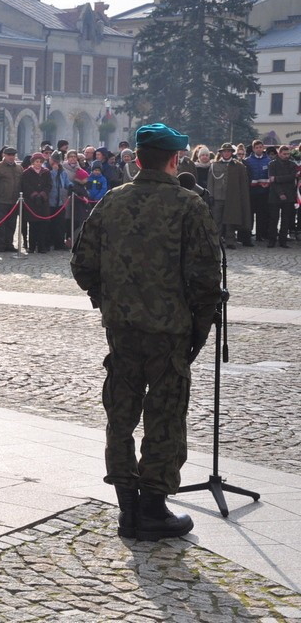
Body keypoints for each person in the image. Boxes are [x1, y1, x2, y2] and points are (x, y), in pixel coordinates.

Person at [71, 122, 221, 542]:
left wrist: (109, 300)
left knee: (120, 413)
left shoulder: (111, 202)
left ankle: (127, 509)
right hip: (170, 331)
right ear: (175, 159)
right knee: (165, 416)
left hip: (122, 330)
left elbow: (82, 265)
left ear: (137, 158)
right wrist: (199, 331)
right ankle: (153, 508)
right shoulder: (188, 205)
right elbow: (207, 279)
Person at [208, 143, 250, 249]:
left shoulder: (239, 166)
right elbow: (210, 182)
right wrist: (210, 195)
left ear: (232, 153)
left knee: (230, 220)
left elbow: (243, 183)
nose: (226, 153)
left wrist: (240, 197)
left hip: (232, 197)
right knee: (217, 220)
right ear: (221, 153)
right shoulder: (214, 165)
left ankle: (230, 241)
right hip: (217, 197)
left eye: (228, 151)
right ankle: (216, 240)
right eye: (224, 151)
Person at [0, 146, 23, 252]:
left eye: (13, 155)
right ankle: (0, 243)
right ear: (4, 155)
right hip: (1, 200)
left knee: (11, 224)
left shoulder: (19, 168)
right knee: (0, 223)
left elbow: (22, 183)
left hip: (14, 201)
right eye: (9, 155)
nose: (11, 157)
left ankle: (9, 243)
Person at [21, 152, 52, 253]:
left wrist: (43, 194)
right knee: (33, 226)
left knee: (43, 226)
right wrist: (34, 194)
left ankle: (41, 246)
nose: (38, 164)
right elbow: (25, 186)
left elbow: (49, 185)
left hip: (43, 202)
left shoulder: (46, 172)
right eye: (36, 162)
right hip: (31, 203)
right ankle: (32, 246)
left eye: (40, 162)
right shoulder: (26, 173)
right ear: (33, 162)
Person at [267, 144, 295, 248]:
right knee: (273, 219)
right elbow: (272, 181)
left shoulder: (292, 165)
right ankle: (272, 240)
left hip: (289, 195)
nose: (286, 156)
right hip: (275, 195)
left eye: (288, 154)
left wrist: (278, 178)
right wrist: (280, 193)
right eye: (284, 154)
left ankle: (283, 241)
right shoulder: (272, 164)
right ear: (279, 153)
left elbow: (292, 177)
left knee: (286, 219)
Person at [243, 140, 271, 244]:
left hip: (263, 192)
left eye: (260, 147)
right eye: (257, 147)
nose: (259, 149)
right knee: (250, 215)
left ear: (263, 148)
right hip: (251, 192)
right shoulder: (248, 161)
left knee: (261, 215)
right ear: (253, 149)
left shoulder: (268, 161)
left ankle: (260, 235)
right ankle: (248, 234)